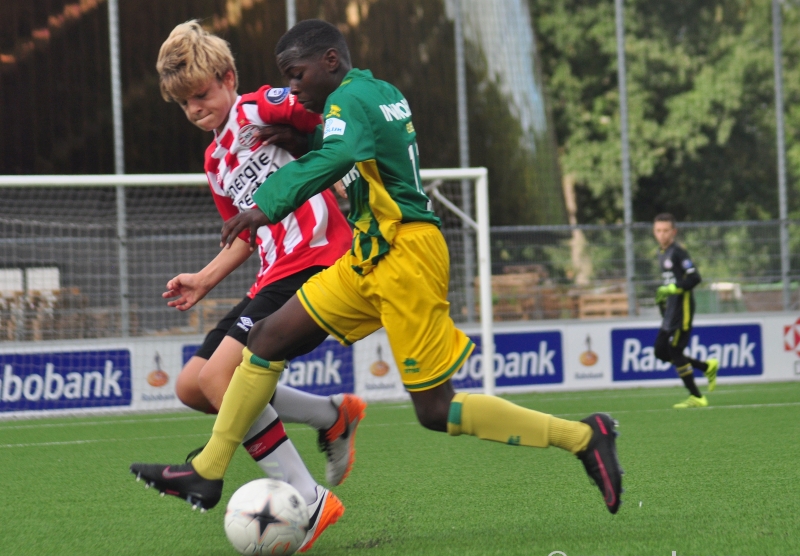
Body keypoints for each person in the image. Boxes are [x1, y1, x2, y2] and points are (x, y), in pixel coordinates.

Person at [131, 19, 623, 516]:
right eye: (288, 79)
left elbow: (341, 150)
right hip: (370, 254)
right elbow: (351, 153)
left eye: (297, 75)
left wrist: (266, 204)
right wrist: (308, 145)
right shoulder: (372, 94)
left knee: (435, 410)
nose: (293, 88)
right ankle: (211, 469)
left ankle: (584, 436)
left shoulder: (351, 99)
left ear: (329, 62)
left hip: (406, 254)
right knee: (266, 339)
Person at [131, 21, 365, 552]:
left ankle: (307, 499)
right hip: (271, 272)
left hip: (315, 259)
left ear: (228, 77)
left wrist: (306, 135)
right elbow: (243, 233)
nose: (194, 107)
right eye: (183, 103)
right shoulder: (215, 161)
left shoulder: (260, 106)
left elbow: (331, 113)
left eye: (201, 93)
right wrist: (204, 280)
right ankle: (333, 416)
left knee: (222, 378)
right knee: (193, 385)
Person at [652, 213, 719, 408]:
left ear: (674, 232)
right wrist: (663, 298)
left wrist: (674, 288)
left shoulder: (678, 252)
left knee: (674, 350)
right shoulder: (660, 252)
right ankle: (706, 367)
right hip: (671, 310)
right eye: (658, 230)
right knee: (660, 352)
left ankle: (697, 396)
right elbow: (670, 281)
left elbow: (695, 277)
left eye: (665, 230)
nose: (662, 235)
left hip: (683, 310)